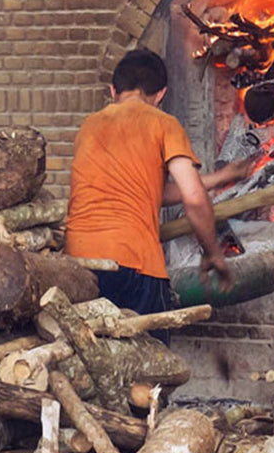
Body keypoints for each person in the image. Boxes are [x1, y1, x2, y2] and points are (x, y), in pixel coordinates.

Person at [64, 49, 248, 332]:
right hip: (133, 264)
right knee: (149, 366)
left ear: (113, 90)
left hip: (78, 262)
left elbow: (146, 191)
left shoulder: (88, 127)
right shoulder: (163, 124)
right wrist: (212, 252)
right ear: (161, 94)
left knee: (95, 359)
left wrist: (221, 177)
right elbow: (194, 199)